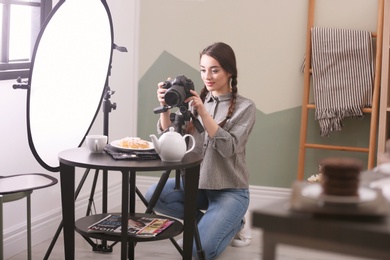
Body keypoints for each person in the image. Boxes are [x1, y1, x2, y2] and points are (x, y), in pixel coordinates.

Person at [145, 42, 256, 259]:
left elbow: (229, 147)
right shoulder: (192, 101)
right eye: (203, 69)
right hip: (196, 187)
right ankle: (207, 224)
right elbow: (170, 139)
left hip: (229, 191)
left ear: (229, 71)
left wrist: (204, 113)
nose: (208, 76)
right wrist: (165, 109)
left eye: (215, 70)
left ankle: (237, 222)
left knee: (198, 252)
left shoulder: (245, 107)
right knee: (153, 196)